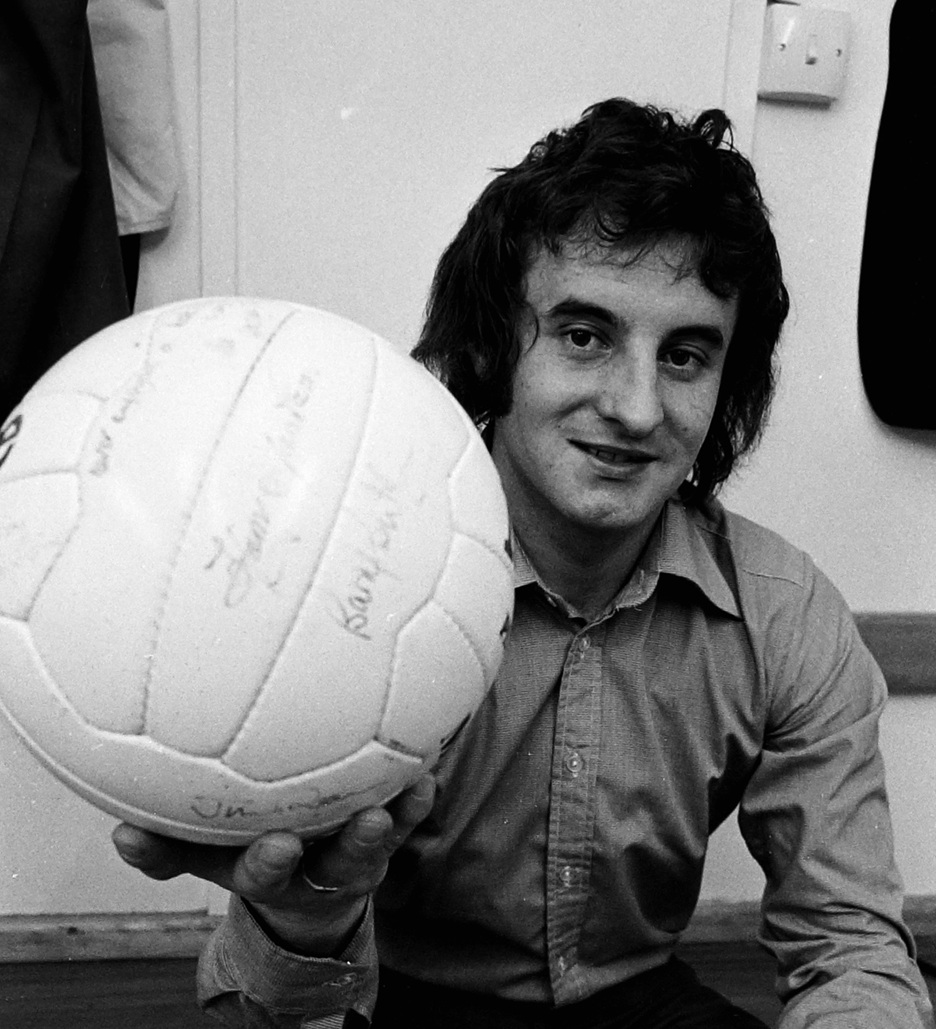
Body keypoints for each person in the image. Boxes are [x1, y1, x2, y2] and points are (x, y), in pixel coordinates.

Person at [112, 98, 934, 1028]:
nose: (636, 408)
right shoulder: (348, 584)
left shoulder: (781, 612)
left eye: (685, 356)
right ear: (491, 343)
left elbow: (850, 946)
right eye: (585, 336)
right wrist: (305, 922)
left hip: (636, 998)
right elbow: (264, 1008)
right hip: (384, 990)